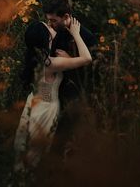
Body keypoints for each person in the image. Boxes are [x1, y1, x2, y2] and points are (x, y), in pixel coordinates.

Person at [14, 18, 92, 172]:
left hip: (35, 104)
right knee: (34, 157)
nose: (50, 26)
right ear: (46, 39)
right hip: (45, 110)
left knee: (26, 153)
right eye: (47, 27)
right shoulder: (50, 63)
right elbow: (87, 58)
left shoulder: (34, 57)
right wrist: (76, 34)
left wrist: (67, 60)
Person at [43, 0, 97, 106]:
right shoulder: (52, 33)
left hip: (77, 99)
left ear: (66, 16)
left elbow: (93, 74)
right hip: (53, 96)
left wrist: (70, 60)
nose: (50, 24)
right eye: (48, 20)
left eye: (53, 20)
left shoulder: (86, 36)